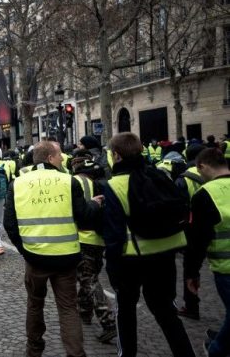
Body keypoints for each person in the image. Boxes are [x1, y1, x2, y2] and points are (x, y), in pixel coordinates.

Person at [4, 141, 102, 357]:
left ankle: (34, 349)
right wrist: (94, 204)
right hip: (66, 258)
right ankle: (75, 353)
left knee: (35, 305)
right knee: (68, 308)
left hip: (35, 257)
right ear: (50, 158)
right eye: (59, 155)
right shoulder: (69, 181)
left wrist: (24, 250)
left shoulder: (18, 184)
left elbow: (9, 224)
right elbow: (84, 218)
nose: (63, 158)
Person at [103, 132, 195, 357]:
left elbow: (114, 234)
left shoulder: (114, 185)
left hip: (132, 257)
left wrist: (112, 268)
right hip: (166, 253)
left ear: (116, 155)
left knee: (125, 313)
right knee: (166, 313)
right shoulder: (159, 175)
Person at [184, 148, 230, 355]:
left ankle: (216, 349)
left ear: (202, 166)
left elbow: (197, 241)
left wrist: (192, 273)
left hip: (225, 268)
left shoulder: (204, 194)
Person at [70, 150, 117, 343]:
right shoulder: (100, 183)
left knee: (89, 280)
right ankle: (84, 311)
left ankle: (108, 322)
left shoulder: (73, 183)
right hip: (98, 239)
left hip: (82, 238)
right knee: (87, 277)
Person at [175, 143, 207, 320]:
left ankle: (191, 304)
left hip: (192, 230)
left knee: (191, 269)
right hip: (217, 227)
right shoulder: (214, 175)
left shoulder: (183, 179)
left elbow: (177, 207)